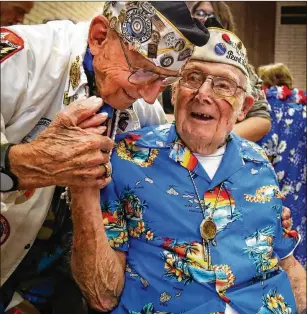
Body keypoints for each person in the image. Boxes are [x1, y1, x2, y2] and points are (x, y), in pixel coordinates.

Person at [70, 28, 306, 314]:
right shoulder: (124, 158)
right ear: (175, 90)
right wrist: (81, 186)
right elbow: (102, 296)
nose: (202, 93)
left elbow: (288, 264)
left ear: (243, 107)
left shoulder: (258, 163)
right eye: (192, 78)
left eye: (222, 85)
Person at [0, 2, 209, 312]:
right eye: (143, 72)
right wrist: (22, 163)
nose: (150, 96)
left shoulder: (143, 110)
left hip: (56, 277)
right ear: (99, 37)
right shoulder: (23, 57)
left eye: (163, 81)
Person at [162, 1, 272, 142]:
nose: (206, 19)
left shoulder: (243, 72)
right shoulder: (167, 61)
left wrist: (215, 137)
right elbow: (150, 111)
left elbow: (261, 120)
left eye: (223, 85)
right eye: (200, 13)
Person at [257, 63, 307, 267]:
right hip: (300, 188)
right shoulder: (303, 109)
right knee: (298, 236)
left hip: (270, 189)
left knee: (271, 240)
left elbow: (264, 152)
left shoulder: (264, 109)